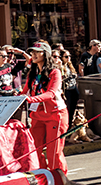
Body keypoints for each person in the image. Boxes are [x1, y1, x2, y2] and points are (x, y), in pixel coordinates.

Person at [23, 41, 69, 172]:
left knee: (54, 152)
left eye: (38, 52)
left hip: (55, 114)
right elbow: (24, 91)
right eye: (33, 52)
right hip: (37, 114)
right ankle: (42, 178)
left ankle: (58, 181)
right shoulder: (32, 73)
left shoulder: (55, 72)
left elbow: (51, 93)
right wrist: (14, 98)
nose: (34, 54)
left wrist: (30, 99)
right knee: (33, 149)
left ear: (46, 54)